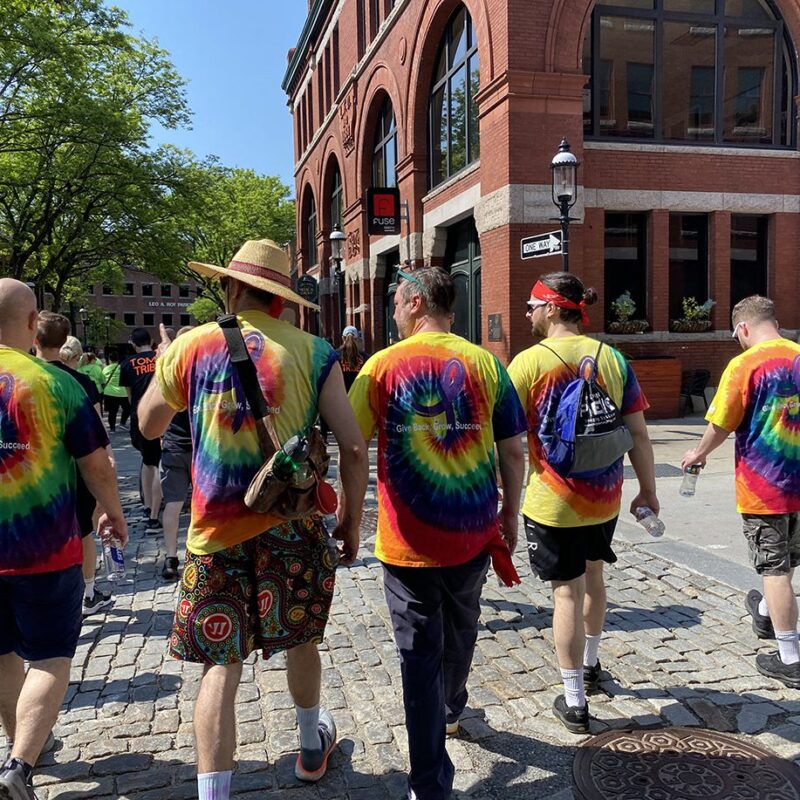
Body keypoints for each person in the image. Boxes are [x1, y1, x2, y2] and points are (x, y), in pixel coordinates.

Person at [137, 239, 368, 800]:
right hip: (293, 525)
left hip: (214, 534)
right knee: (302, 642)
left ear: (232, 288)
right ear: (280, 298)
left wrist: (181, 374)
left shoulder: (192, 345)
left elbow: (146, 425)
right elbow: (355, 448)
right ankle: (312, 748)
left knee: (221, 666)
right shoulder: (316, 352)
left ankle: (213, 794)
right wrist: (353, 523)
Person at [348, 267, 527, 800]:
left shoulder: (380, 367)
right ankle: (452, 706)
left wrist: (349, 520)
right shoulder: (486, 364)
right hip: (473, 529)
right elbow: (513, 449)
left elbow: (354, 448)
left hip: (407, 541)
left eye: (398, 303)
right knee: (463, 625)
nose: (394, 312)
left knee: (417, 655)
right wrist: (511, 514)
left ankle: (429, 782)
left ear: (417, 301)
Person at [507, 272, 658, 735]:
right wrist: (648, 491)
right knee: (595, 576)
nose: (528, 313)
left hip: (551, 501)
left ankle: (574, 700)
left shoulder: (527, 364)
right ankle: (591, 666)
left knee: (565, 593)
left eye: (533, 305)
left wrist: (505, 503)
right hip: (604, 498)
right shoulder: (612, 358)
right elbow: (638, 434)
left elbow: (510, 443)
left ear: (552, 308)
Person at [0, 279, 127, 800]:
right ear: (33, 322)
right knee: (51, 654)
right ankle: (19, 764)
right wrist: (112, 513)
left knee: (2, 652)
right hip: (44, 549)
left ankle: (21, 746)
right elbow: (96, 464)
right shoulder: (57, 384)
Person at [682, 295, 800, 689]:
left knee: (774, 568)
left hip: (764, 487)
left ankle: (789, 656)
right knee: (786, 560)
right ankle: (766, 611)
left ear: (743, 328)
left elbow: (721, 422)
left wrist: (697, 453)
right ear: (775, 322)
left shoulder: (744, 364)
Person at [34, 319, 113, 617]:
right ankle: (88, 593)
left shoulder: (24, 376)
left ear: (35, 339)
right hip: (76, 471)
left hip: (33, 473)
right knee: (83, 531)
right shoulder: (81, 382)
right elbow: (97, 434)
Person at [158, 326, 194, 580]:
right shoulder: (202, 373)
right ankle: (199, 554)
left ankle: (171, 557)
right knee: (202, 506)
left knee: (172, 504)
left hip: (173, 446)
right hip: (200, 449)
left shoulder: (170, 374)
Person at [120, 328, 162, 532]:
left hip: (141, 415)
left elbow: (129, 397)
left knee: (148, 462)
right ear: (152, 341)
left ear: (133, 344)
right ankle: (158, 505)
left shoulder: (127, 364)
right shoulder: (161, 357)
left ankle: (147, 506)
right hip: (164, 413)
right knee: (160, 462)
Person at [101, 351, 130, 432]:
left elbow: (102, 380)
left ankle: (112, 428)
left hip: (110, 393)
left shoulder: (106, 368)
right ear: (118, 359)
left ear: (109, 359)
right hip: (123, 393)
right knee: (127, 408)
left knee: (112, 411)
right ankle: (122, 423)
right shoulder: (123, 368)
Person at [337, 325, 368, 392]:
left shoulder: (335, 356)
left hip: (341, 395)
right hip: (358, 395)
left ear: (343, 338)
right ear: (357, 339)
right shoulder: (364, 357)